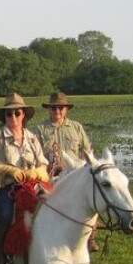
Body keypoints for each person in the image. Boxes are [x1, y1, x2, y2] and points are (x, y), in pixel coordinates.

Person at [0, 93, 49, 264]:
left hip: (32, 187)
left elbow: (44, 165)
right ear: (5, 116)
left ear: (23, 114)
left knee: (53, 209)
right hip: (5, 188)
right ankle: (2, 263)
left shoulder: (32, 139)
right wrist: (8, 169)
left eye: (17, 113)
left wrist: (35, 172)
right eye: (9, 114)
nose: (14, 117)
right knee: (6, 216)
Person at [33, 91, 97, 251]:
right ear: (49, 109)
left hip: (75, 175)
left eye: (61, 108)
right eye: (54, 108)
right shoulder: (40, 129)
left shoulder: (76, 127)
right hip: (51, 176)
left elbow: (87, 151)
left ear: (66, 109)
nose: (57, 111)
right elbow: (34, 155)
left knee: (93, 198)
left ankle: (90, 237)